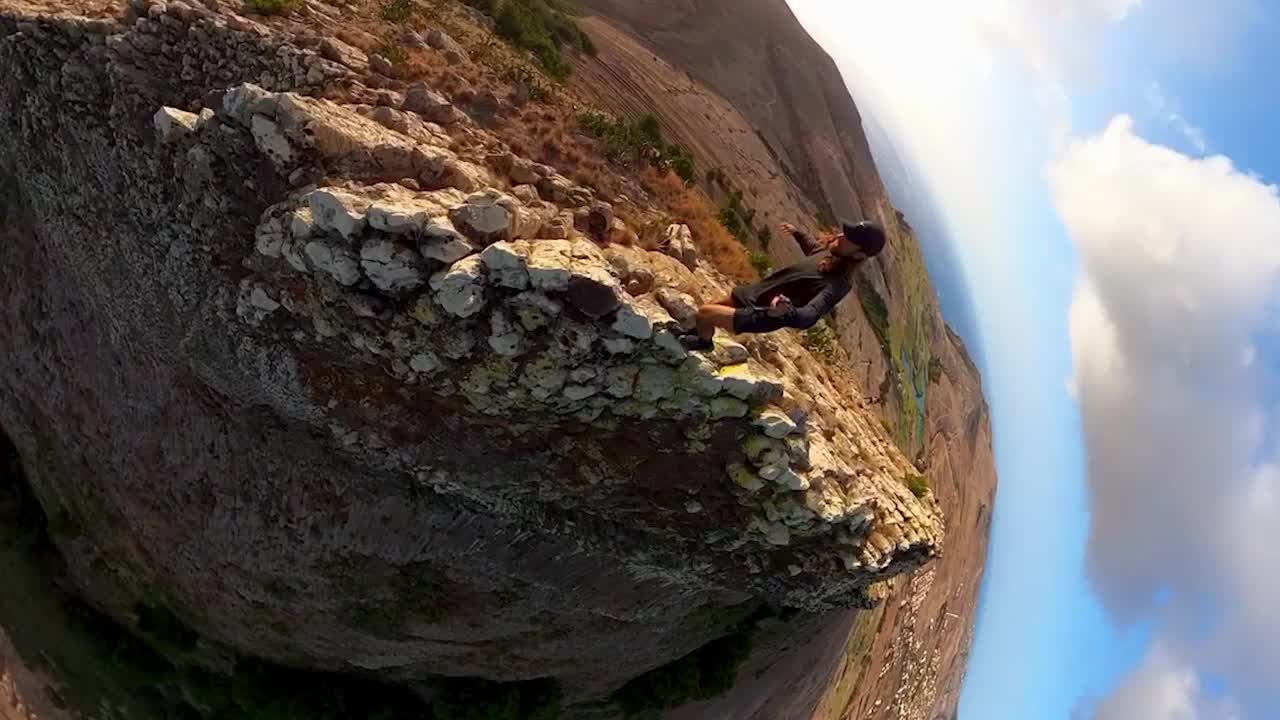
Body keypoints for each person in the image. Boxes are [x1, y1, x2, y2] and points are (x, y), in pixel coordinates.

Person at [677, 220, 887, 351]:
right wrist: (797, 233)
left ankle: (704, 343)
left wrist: (787, 311)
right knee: (710, 308)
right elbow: (812, 248)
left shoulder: (838, 284)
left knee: (705, 313)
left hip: (763, 313)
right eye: (845, 232)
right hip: (757, 292)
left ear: (859, 255)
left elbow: (810, 314)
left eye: (849, 239)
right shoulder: (832, 253)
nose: (840, 236)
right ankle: (696, 333)